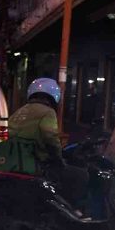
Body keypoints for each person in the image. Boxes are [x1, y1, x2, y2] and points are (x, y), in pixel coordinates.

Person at [7, 78, 88, 206]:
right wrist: (59, 159)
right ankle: (72, 210)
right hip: (37, 164)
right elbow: (50, 137)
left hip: (15, 163)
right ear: (54, 96)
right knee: (80, 175)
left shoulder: (19, 111)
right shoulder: (48, 112)